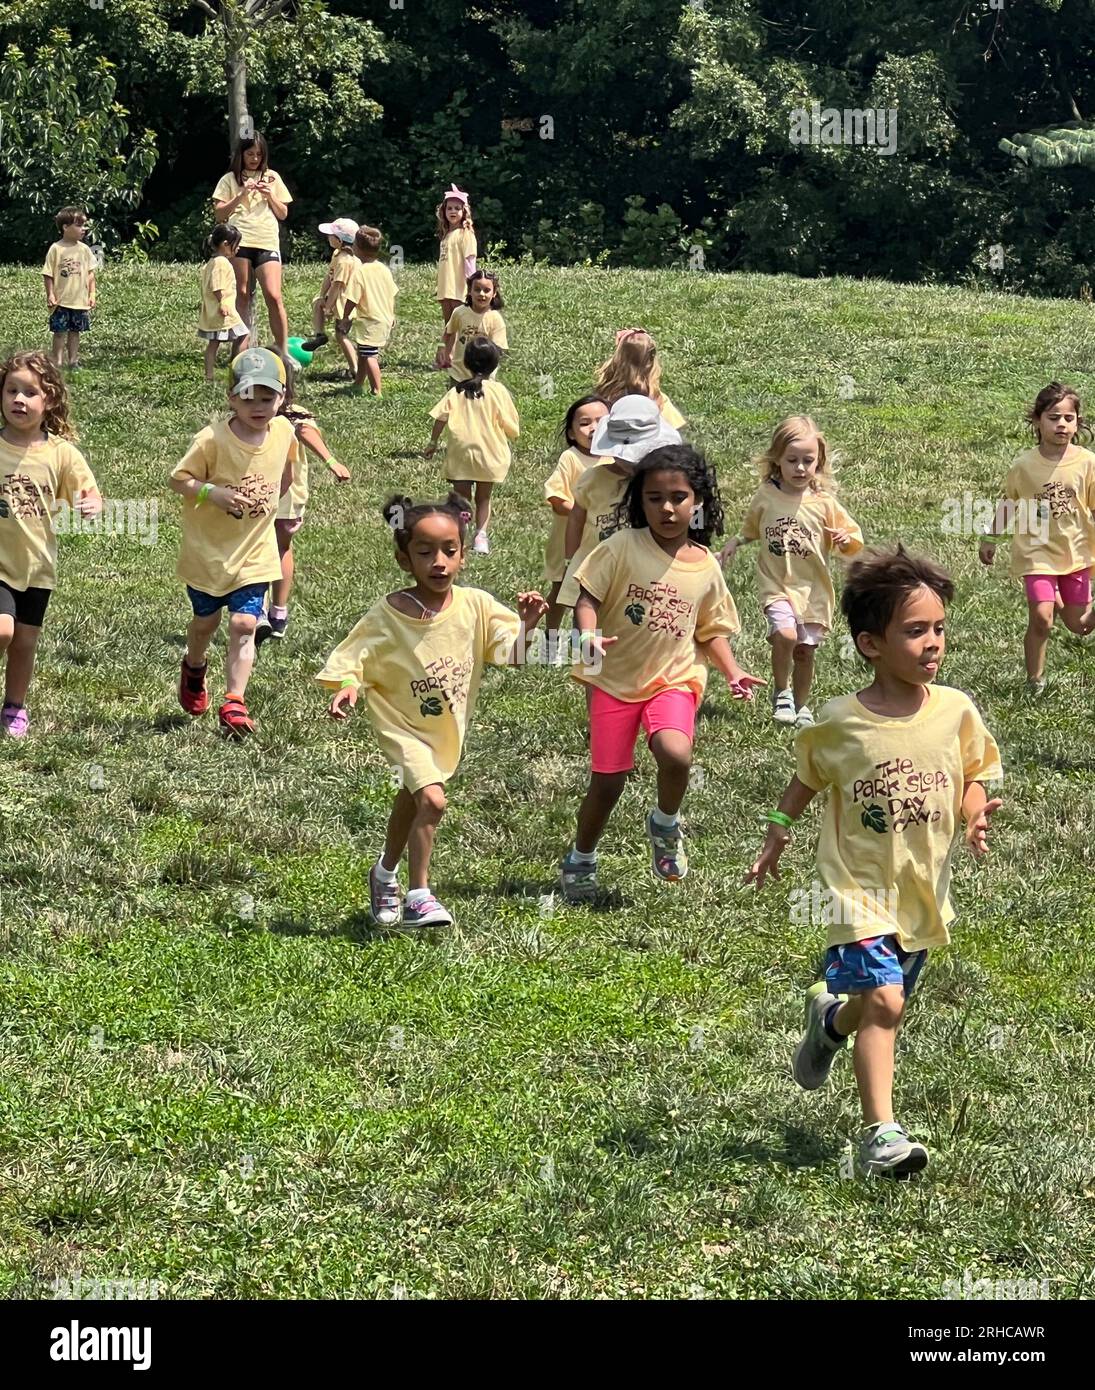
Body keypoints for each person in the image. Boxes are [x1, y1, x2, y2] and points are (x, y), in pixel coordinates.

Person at [745, 546, 1003, 1178]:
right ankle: (880, 1137)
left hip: (920, 889)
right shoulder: (840, 722)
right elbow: (806, 779)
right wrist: (777, 833)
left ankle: (830, 1021)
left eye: (939, 628)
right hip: (854, 889)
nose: (934, 643)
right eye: (915, 631)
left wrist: (973, 812)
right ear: (870, 644)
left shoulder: (955, 710)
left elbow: (974, 772)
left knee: (877, 1004)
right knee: (886, 1002)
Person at [317, 492, 547, 928]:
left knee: (414, 798)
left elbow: (511, 656)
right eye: (425, 553)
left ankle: (384, 873)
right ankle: (419, 895)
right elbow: (352, 658)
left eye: (450, 550)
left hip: (444, 730)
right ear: (404, 560)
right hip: (400, 725)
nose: (439, 561)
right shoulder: (388, 615)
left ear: (462, 555)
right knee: (434, 800)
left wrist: (527, 625)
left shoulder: (476, 605)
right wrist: (348, 687)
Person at [559, 444, 763, 902]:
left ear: (698, 502)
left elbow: (710, 630)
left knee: (676, 754)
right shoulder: (620, 547)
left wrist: (732, 671)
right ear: (639, 502)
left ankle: (666, 823)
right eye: (654, 498)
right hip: (611, 680)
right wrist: (587, 636)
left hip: (674, 678)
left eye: (678, 497)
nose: (667, 508)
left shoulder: (706, 566)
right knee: (607, 782)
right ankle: (581, 858)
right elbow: (586, 597)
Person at [169, 348, 298, 737]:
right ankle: (194, 666)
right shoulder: (211, 440)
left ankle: (234, 702)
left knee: (244, 623)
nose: (257, 406)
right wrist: (214, 493)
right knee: (205, 624)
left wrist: (287, 511)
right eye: (247, 397)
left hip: (255, 552)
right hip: (208, 554)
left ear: (282, 398)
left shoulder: (284, 432)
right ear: (231, 398)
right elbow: (179, 480)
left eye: (267, 397)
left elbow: (287, 475)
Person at [721, 415, 863, 727]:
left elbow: (853, 539)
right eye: (792, 460)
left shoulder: (825, 502)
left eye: (807, 461)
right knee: (785, 634)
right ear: (777, 461)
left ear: (819, 461)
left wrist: (845, 539)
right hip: (777, 584)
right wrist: (735, 542)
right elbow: (752, 527)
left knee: (805, 652)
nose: (800, 468)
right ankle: (781, 692)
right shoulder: (767, 495)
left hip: (813, 591)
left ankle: (801, 706)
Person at [0, 351, 102, 737]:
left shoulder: (61, 453)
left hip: (38, 566)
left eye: (30, 392)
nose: (18, 400)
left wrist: (91, 502)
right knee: (3, 631)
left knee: (24, 642)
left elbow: (90, 490)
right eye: (11, 391)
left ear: (50, 400)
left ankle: (14, 707)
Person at [979, 381, 1095, 694]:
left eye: (1068, 418)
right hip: (1037, 553)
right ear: (1037, 421)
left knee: (1080, 626)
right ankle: (1035, 681)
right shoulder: (1024, 466)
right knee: (1042, 619)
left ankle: (1058, 594)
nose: (1061, 424)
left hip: (1077, 553)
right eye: (1053, 417)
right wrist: (990, 537)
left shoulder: (1087, 463)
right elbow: (1008, 502)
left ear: (1077, 422)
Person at [255, 351, 351, 647]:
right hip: (258, 490)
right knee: (270, 548)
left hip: (280, 492)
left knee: (271, 547)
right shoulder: (275, 410)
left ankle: (269, 611)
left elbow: (307, 432)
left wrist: (331, 460)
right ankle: (270, 613)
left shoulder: (281, 413)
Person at [556, 395, 681, 613]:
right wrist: (570, 559)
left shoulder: (657, 483)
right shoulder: (592, 479)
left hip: (638, 572)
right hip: (592, 568)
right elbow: (576, 518)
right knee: (585, 624)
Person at [424, 338, 517, 555]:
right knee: (483, 497)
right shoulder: (498, 391)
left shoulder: (457, 390)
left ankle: (461, 534)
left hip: (461, 452)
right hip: (489, 453)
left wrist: (432, 442)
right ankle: (481, 536)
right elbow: (511, 424)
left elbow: (441, 418)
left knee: (462, 499)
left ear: (466, 363)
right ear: (494, 364)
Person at [211, 132, 293, 353]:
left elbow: (283, 213)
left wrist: (269, 195)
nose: (255, 158)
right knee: (243, 294)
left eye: (259, 154)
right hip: (239, 241)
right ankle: (241, 350)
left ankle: (282, 350)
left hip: (266, 240)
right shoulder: (229, 180)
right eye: (250, 154)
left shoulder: (272, 177)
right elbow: (220, 215)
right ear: (241, 154)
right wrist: (241, 194)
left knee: (274, 296)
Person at [542, 395, 609, 645]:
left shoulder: (616, 461)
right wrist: (583, 515)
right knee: (560, 592)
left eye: (601, 421)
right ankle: (550, 640)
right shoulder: (571, 459)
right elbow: (557, 498)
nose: (593, 428)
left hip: (600, 544)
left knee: (595, 592)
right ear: (571, 433)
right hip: (568, 544)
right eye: (584, 423)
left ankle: (586, 639)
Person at [300, 216, 363, 376]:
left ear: (340, 240)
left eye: (331, 235)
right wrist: (322, 296)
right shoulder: (337, 255)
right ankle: (319, 335)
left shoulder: (345, 261)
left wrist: (328, 307)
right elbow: (329, 277)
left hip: (346, 303)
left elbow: (337, 285)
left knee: (341, 335)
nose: (328, 237)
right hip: (338, 300)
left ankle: (355, 369)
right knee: (317, 303)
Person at [594, 329, 685, 429]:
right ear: (651, 361)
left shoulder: (603, 399)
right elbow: (675, 431)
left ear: (617, 359)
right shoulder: (659, 401)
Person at [43, 207, 97, 372]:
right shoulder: (56, 249)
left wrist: (92, 294)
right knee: (59, 333)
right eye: (79, 225)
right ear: (65, 227)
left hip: (79, 301)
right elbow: (48, 274)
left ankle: (73, 361)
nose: (84, 229)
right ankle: (57, 362)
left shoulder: (84, 250)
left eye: (84, 225)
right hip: (61, 302)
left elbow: (90, 274)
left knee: (75, 332)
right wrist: (50, 294)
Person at [348, 225, 399, 397]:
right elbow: (392, 294)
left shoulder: (360, 272)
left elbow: (352, 299)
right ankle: (358, 383)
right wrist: (392, 314)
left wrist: (345, 316)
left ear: (358, 248)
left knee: (370, 355)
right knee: (363, 351)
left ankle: (377, 390)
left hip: (370, 319)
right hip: (383, 317)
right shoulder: (383, 269)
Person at [197, 224, 249, 380]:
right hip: (224, 311)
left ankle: (209, 375)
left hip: (214, 311)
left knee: (214, 344)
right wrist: (223, 303)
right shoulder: (221, 262)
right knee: (244, 335)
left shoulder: (213, 261)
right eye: (236, 245)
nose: (238, 248)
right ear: (225, 244)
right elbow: (217, 285)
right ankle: (238, 373)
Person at [433, 184, 477, 365]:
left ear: (464, 212)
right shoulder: (446, 236)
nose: (453, 211)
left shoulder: (465, 234)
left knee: (461, 326)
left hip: (459, 287)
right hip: (445, 288)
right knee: (448, 325)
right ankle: (447, 358)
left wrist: (471, 285)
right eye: (449, 208)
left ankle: (463, 357)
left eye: (457, 208)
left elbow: (470, 261)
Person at [440, 270, 508, 383]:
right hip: (458, 376)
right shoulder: (459, 313)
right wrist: (441, 349)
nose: (481, 294)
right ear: (469, 291)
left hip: (484, 379)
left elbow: (499, 350)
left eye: (487, 290)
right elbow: (448, 333)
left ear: (494, 293)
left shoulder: (496, 320)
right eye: (477, 289)